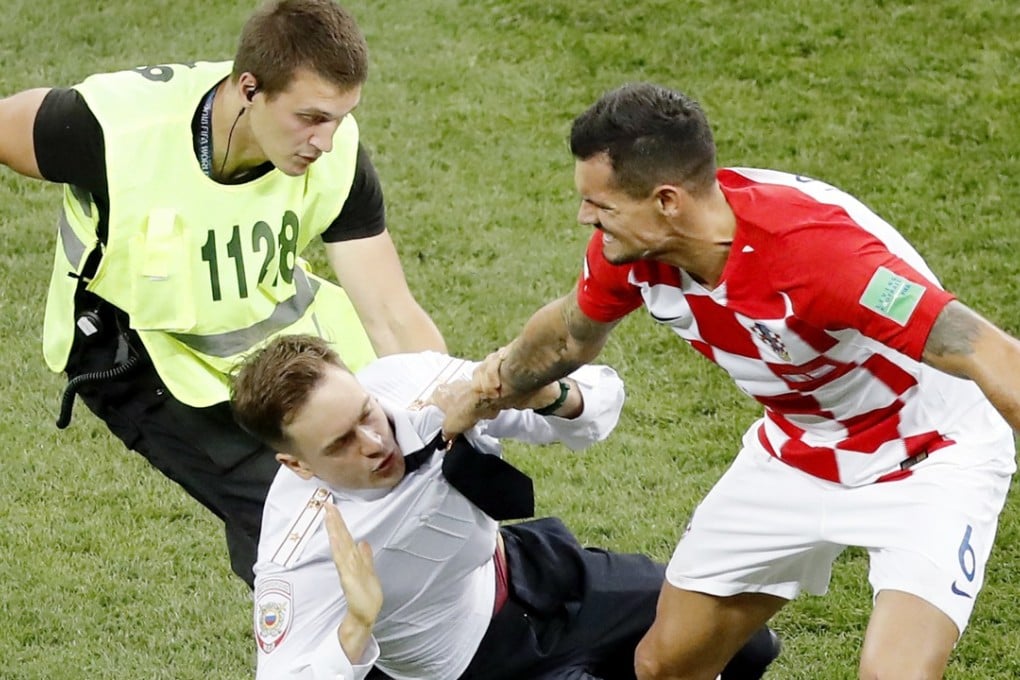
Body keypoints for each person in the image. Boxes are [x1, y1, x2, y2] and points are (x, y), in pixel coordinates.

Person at [441, 82, 1020, 679]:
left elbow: (990, 352)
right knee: (666, 664)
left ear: (667, 200)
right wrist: (486, 391)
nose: (586, 218)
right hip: (797, 449)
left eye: (602, 206)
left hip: (929, 457)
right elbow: (566, 336)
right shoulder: (633, 253)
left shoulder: (818, 254)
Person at [0, 0, 446, 587]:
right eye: (311, 118)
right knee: (300, 530)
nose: (327, 142)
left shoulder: (333, 158)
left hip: (274, 350)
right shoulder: (115, 129)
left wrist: (449, 415)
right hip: (137, 355)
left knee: (410, 488)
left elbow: (391, 312)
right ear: (249, 88)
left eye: (340, 118)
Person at [230, 334, 781, 680]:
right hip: (474, 663)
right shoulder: (300, 552)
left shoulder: (414, 384)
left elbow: (601, 406)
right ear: (297, 466)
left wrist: (546, 395)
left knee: (741, 641)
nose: (374, 442)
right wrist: (357, 623)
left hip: (535, 570)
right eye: (339, 445)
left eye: (365, 414)